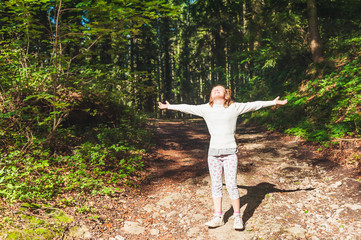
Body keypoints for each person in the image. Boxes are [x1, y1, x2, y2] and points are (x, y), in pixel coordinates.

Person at [158, 85, 288, 230]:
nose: (217, 90)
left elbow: (254, 105)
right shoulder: (206, 108)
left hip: (230, 153)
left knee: (232, 185)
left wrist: (273, 102)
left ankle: (238, 217)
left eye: (220, 89)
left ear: (226, 95)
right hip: (213, 154)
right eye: (214, 90)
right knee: (216, 185)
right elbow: (188, 107)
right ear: (211, 96)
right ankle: (218, 216)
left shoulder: (234, 107)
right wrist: (169, 107)